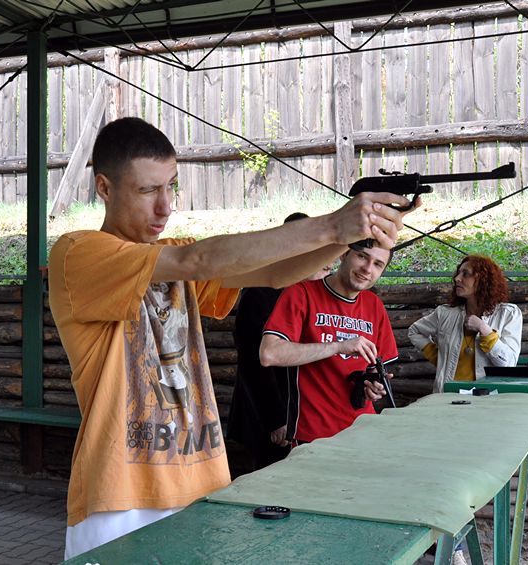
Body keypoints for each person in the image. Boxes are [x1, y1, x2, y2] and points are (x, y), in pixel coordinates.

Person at [48, 116, 414, 559]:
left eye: (171, 186)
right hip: (119, 492)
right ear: (104, 188)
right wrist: (334, 227)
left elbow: (275, 273)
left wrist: (357, 232)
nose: (165, 206)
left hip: (199, 482)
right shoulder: (78, 252)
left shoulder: (170, 251)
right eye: (147, 191)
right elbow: (196, 261)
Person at [258, 243, 399, 445]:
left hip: (363, 430)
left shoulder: (374, 305)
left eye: (377, 264)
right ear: (343, 255)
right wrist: (338, 346)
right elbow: (269, 354)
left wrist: (374, 386)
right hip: (313, 434)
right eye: (361, 256)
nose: (368, 269)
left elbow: (376, 368)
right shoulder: (301, 293)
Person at [226, 213, 333, 472]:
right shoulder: (261, 292)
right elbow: (253, 361)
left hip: (303, 411)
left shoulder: (313, 291)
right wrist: (276, 419)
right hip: (268, 415)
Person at [407, 254, 522, 393]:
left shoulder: (508, 314)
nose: (457, 278)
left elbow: (508, 365)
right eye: (458, 273)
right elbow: (414, 331)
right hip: (448, 397)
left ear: (483, 280)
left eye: (465, 274)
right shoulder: (445, 313)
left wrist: (484, 330)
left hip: (489, 400)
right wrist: (438, 357)